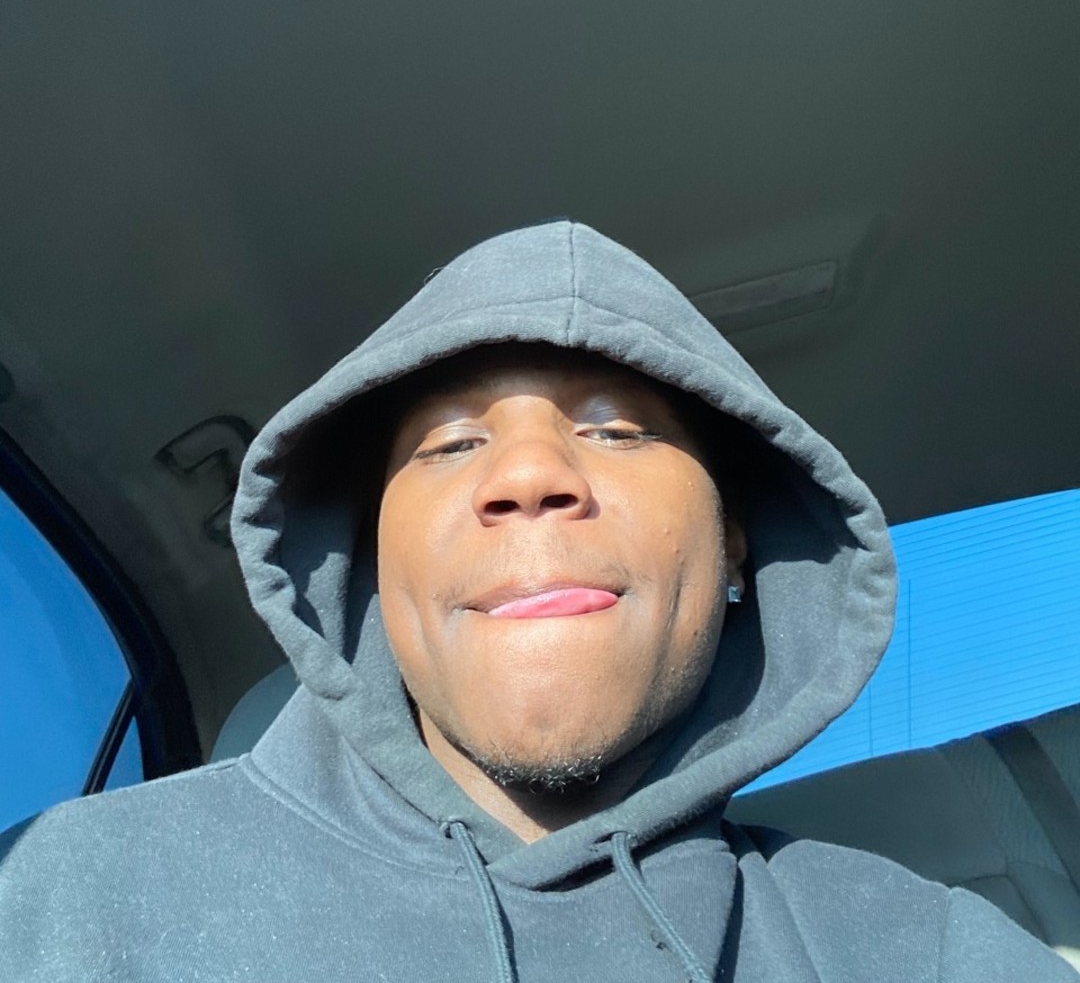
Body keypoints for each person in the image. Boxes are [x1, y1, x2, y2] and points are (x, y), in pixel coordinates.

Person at [0, 220, 1072, 980]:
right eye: (449, 444)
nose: (527, 474)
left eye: (618, 430)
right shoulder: (55, 895)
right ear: (373, 560)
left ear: (735, 545)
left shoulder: (933, 953)